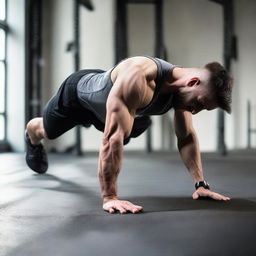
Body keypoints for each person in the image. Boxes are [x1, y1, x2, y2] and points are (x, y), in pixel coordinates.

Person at [25, 56, 233, 214]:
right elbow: (111, 138)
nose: (195, 110)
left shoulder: (182, 95)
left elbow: (186, 136)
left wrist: (201, 184)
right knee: (49, 132)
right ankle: (32, 132)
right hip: (77, 98)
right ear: (193, 82)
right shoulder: (139, 77)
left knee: (136, 123)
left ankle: (123, 117)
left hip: (110, 106)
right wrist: (110, 197)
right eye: (199, 103)